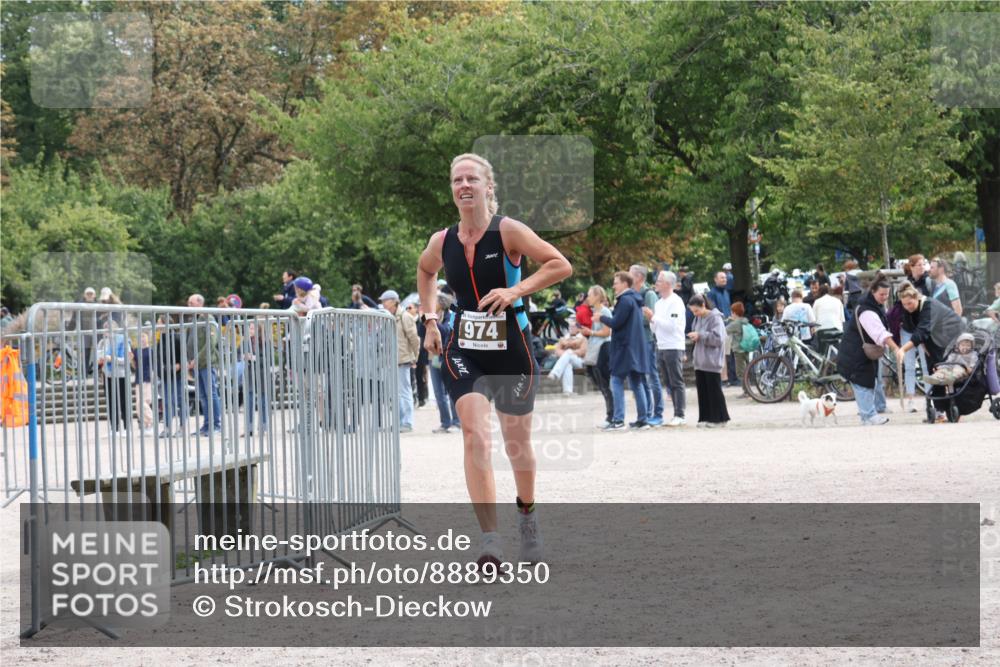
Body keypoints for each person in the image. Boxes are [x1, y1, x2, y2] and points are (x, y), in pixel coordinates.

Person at [417, 152, 572, 569]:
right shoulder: (441, 241)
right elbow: (425, 271)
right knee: (474, 435)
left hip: (511, 346)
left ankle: (527, 517)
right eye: (456, 180)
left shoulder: (509, 232)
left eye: (471, 178)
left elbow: (560, 265)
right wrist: (431, 320)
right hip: (464, 346)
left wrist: (515, 291)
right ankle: (490, 540)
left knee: (516, 444)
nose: (463, 185)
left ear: (488, 187)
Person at [895, 281, 966, 421]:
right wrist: (923, 345)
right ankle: (940, 411)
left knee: (949, 372)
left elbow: (922, 330)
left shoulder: (929, 306)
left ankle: (958, 409)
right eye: (904, 304)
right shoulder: (911, 309)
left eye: (910, 303)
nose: (907, 307)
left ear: (917, 298)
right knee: (934, 370)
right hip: (934, 338)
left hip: (951, 335)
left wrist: (903, 349)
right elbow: (916, 329)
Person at [836, 276, 900, 425]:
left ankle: (869, 415)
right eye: (882, 294)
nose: (884, 298)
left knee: (868, 381)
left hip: (861, 353)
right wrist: (896, 348)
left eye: (887, 294)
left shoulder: (873, 305)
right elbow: (879, 333)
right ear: (873, 292)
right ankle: (869, 415)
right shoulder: (867, 310)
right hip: (855, 354)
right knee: (862, 383)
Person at [601, 271, 651, 430]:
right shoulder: (635, 300)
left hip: (624, 348)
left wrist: (601, 318)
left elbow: (616, 323)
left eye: (615, 282)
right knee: (636, 383)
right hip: (635, 347)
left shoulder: (624, 301)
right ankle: (643, 420)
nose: (613, 285)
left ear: (624, 283)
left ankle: (618, 420)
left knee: (615, 380)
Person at [648, 270, 687, 426]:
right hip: (661, 345)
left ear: (668, 284)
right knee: (668, 382)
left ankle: (680, 414)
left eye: (659, 280)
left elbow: (673, 326)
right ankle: (676, 412)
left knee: (676, 381)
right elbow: (654, 328)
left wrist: (654, 318)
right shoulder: (658, 303)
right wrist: (652, 320)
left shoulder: (676, 302)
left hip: (674, 345)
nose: (656, 283)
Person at [687, 294, 730, 427]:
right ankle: (705, 417)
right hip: (700, 360)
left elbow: (718, 338)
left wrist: (700, 335)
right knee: (703, 391)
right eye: (693, 311)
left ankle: (719, 419)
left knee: (714, 391)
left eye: (697, 310)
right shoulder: (697, 318)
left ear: (703, 305)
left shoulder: (715, 318)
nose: (696, 314)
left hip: (712, 360)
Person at [380, 290, 420, 433]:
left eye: (385, 301)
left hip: (403, 359)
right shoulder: (389, 317)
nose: (383, 304)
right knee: (395, 394)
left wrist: (416, 357)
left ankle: (407, 423)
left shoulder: (405, 316)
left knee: (404, 392)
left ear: (393, 301)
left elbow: (414, 339)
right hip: (391, 360)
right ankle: (399, 423)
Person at [631, 264, 664, 426]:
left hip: (647, 340)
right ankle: (646, 413)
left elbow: (651, 318)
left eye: (630, 274)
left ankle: (658, 413)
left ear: (638, 277)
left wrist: (631, 318)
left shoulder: (648, 294)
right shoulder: (632, 294)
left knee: (652, 376)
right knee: (642, 377)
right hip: (636, 340)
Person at [186, 293, 222, 435]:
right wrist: (190, 360)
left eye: (191, 303)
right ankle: (207, 425)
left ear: (200, 303)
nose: (189, 306)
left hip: (206, 363)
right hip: (196, 364)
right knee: (202, 395)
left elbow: (211, 343)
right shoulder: (195, 320)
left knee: (211, 393)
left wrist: (196, 359)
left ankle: (216, 425)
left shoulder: (208, 318)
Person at [578, 285, 614, 428]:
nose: (588, 298)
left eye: (590, 295)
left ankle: (611, 415)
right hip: (595, 348)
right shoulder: (595, 312)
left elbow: (607, 332)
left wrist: (591, 333)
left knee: (605, 383)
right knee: (600, 382)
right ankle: (610, 414)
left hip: (603, 348)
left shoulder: (604, 311)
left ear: (598, 296)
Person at [427, 292, 461, 434]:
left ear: (441, 303)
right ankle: (445, 422)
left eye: (434, 301)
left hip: (446, 358)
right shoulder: (431, 318)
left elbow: (447, 330)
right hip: (433, 358)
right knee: (438, 393)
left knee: (451, 392)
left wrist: (434, 324)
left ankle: (456, 422)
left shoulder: (449, 316)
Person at [95, 322, 132, 435]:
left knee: (123, 401)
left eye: (109, 328)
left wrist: (112, 358)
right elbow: (98, 357)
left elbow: (126, 359)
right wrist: (100, 360)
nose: (106, 330)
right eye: (105, 328)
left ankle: (127, 428)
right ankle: (114, 428)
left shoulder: (123, 340)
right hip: (108, 375)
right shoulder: (102, 342)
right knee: (111, 402)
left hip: (121, 375)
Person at [156, 312, 188, 437]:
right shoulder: (160, 341)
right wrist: (160, 372)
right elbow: (158, 359)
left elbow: (184, 354)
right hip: (165, 376)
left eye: (159, 322)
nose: (157, 325)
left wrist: (179, 365)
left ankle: (182, 427)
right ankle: (168, 428)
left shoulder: (177, 337)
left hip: (177, 375)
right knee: (167, 402)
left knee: (180, 400)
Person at [67, 287, 98, 375]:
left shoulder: (99, 305)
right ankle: (84, 374)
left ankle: (95, 372)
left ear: (94, 295)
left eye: (91, 294)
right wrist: (68, 330)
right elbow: (74, 319)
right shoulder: (79, 305)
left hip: (97, 333)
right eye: (88, 294)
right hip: (84, 333)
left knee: (99, 353)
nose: (89, 295)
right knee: (85, 354)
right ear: (84, 295)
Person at [546, 328, 587, 396]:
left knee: (568, 353)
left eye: (574, 327)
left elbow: (582, 351)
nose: (572, 329)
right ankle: (568, 391)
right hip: (566, 361)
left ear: (578, 329)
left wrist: (570, 352)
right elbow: (557, 351)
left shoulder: (583, 339)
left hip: (579, 361)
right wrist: (566, 354)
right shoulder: (563, 339)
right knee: (568, 365)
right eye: (570, 327)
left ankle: (555, 373)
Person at [132, 329, 156, 435]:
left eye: (144, 336)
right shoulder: (136, 351)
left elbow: (154, 365)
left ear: (147, 338)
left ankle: (151, 421)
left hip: (148, 378)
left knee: (145, 401)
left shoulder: (151, 350)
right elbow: (134, 365)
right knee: (139, 404)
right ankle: (147, 424)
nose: (142, 338)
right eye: (140, 336)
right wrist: (131, 360)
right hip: (138, 378)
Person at [725, 301, 750, 394]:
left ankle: (746, 391)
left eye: (732, 312)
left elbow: (724, 331)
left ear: (734, 313)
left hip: (738, 349)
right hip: (746, 347)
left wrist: (730, 320)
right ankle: (748, 390)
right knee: (747, 369)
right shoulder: (745, 320)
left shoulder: (735, 324)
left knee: (740, 372)